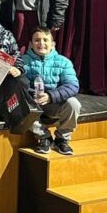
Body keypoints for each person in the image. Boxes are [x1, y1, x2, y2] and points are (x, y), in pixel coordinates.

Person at [22, 27, 80, 155]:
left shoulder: (64, 62)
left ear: (52, 43)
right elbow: (18, 85)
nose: (41, 43)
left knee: (73, 104)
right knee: (20, 104)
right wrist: (32, 94)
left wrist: (50, 96)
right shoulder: (22, 61)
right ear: (31, 44)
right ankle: (44, 138)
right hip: (32, 104)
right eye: (37, 40)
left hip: (54, 104)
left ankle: (62, 139)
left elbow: (72, 86)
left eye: (45, 40)